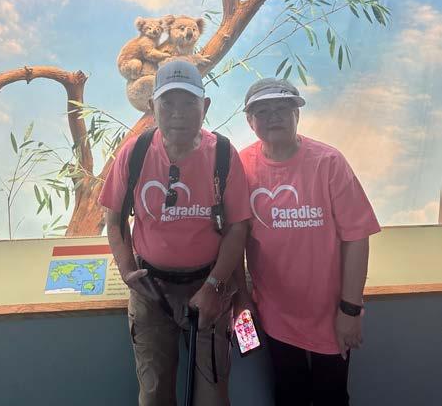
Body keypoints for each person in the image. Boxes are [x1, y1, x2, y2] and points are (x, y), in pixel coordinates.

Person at [100, 60, 251, 406]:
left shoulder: (223, 154)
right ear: (152, 106)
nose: (178, 113)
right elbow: (114, 218)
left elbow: (237, 227)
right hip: (151, 291)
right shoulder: (135, 152)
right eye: (168, 103)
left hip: (210, 286)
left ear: (205, 106)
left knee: (213, 394)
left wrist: (213, 286)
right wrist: (126, 269)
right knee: (154, 393)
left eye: (189, 102)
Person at [235, 78, 381, 406]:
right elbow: (234, 240)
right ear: (250, 120)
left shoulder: (328, 163)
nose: (273, 116)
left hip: (331, 312)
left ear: (297, 115)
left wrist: (350, 309)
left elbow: (357, 237)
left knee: (332, 395)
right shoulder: (241, 167)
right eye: (263, 111)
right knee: (289, 394)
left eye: (282, 108)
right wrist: (242, 300)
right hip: (273, 311)